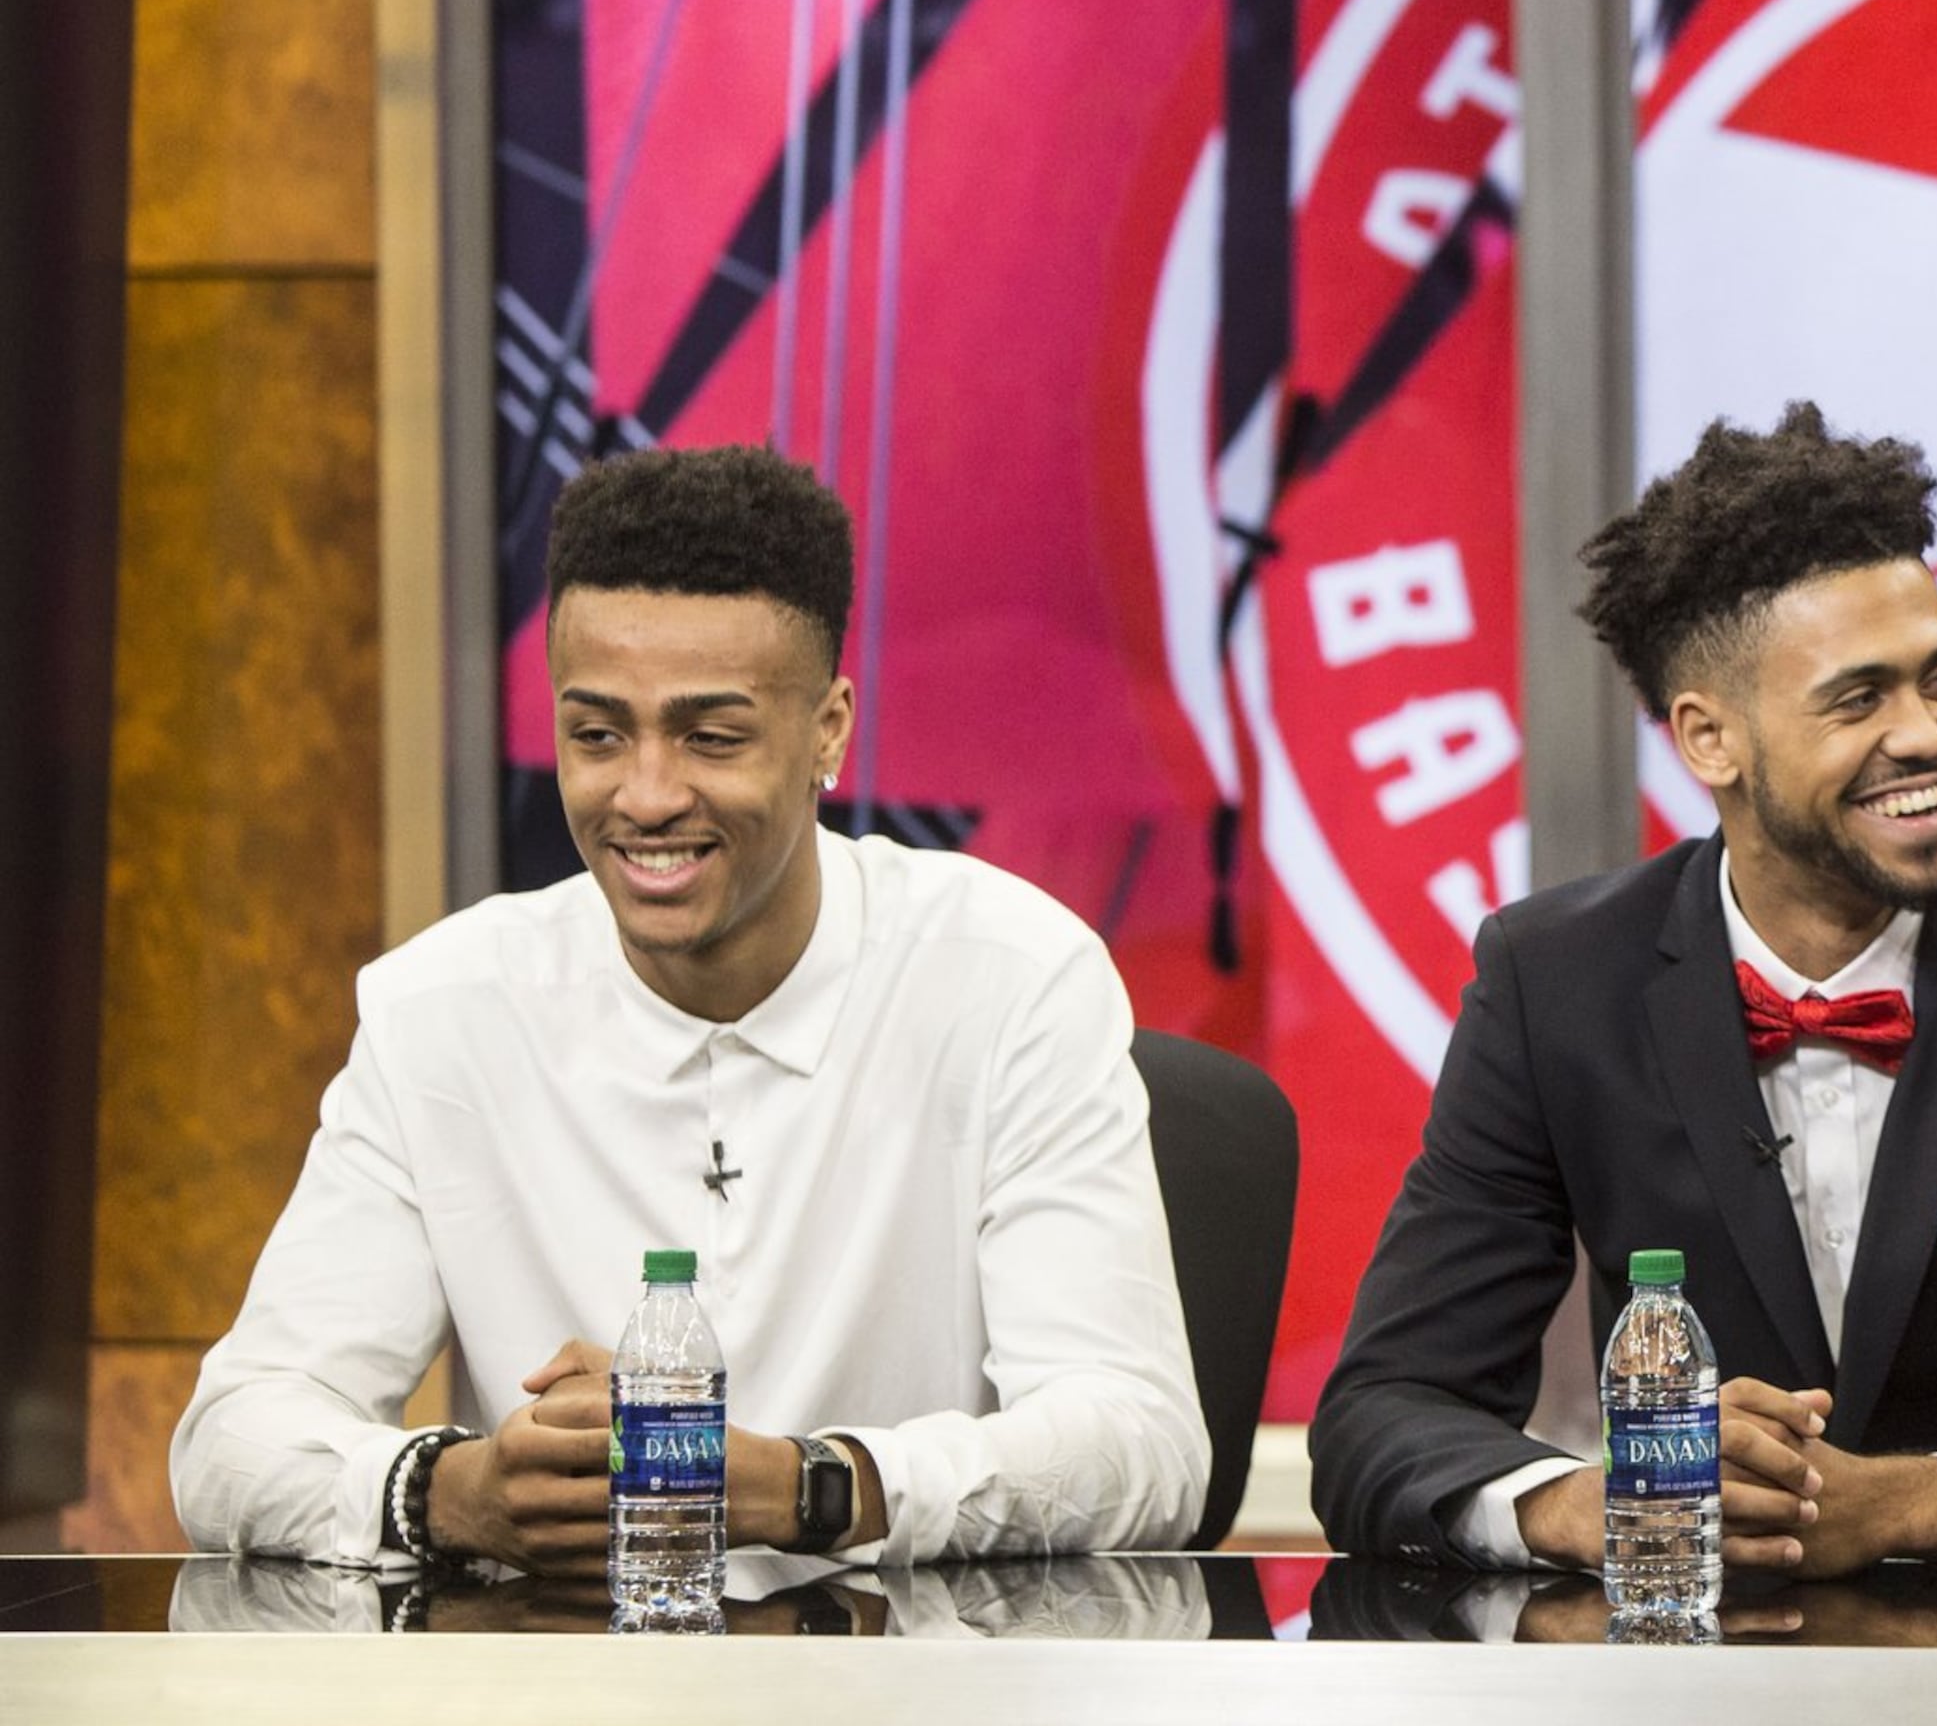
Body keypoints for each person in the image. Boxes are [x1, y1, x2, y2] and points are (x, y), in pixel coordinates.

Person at [1308, 403, 1937, 1572]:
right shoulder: (1554, 983)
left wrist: (1906, 1505)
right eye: (1860, 700)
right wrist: (1575, 1506)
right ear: (1711, 741)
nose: (1928, 735)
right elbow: (1378, 1419)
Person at [173, 446, 1204, 1570]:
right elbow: (231, 1439)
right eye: (597, 735)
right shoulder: (441, 1009)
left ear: (828, 731)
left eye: (712, 737)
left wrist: (817, 1486)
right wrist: (446, 1492)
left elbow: (1137, 1444)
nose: (648, 796)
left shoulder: (1014, 980)